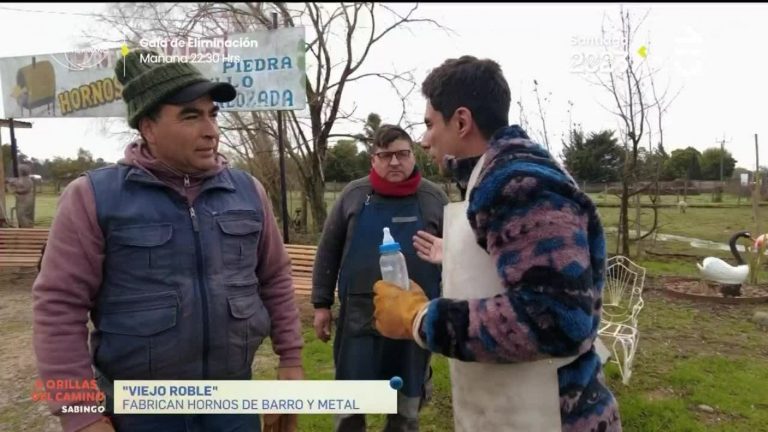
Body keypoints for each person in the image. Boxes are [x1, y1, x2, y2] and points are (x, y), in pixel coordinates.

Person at [32, 49, 304, 432]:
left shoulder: (248, 192)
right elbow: (59, 307)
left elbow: (274, 279)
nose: (211, 130)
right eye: (191, 116)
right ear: (148, 127)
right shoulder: (93, 197)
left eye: (213, 114)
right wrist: (81, 413)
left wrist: (290, 362)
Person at [372, 55, 622, 432]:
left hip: (555, 417)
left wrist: (420, 319)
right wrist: (455, 258)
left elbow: (556, 318)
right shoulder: (499, 174)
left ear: (461, 121)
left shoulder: (518, 183)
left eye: (429, 124)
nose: (424, 140)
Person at [311, 124, 448, 432]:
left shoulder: (433, 198)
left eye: (402, 154)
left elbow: (455, 256)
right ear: (373, 159)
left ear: (413, 156)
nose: (395, 162)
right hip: (358, 319)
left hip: (413, 319)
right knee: (351, 405)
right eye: (386, 156)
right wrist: (321, 304)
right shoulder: (354, 195)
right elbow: (328, 250)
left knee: (405, 407)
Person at [11, 163, 35, 227]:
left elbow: (26, 189)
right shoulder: (20, 178)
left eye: (19, 170)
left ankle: (26, 229)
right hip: (20, 199)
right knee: (19, 215)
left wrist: (16, 190)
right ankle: (22, 228)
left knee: (23, 215)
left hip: (26, 199)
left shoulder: (27, 180)